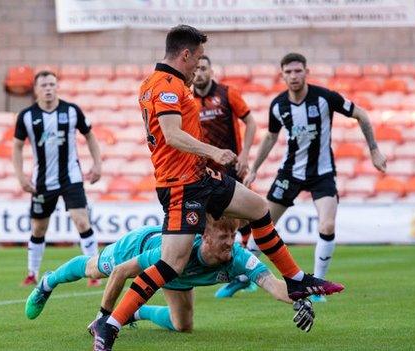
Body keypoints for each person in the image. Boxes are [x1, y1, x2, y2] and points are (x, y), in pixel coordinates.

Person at [92, 25, 341, 351]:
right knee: (171, 265)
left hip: (200, 177)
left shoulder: (164, 84)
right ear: (185, 54)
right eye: (197, 58)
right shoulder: (165, 86)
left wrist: (206, 161)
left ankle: (295, 281)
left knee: (258, 207)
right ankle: (110, 325)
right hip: (181, 185)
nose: (199, 64)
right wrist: (213, 151)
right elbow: (171, 134)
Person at [243, 53, 387, 302]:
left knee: (327, 225)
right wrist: (254, 168)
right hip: (290, 173)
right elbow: (270, 137)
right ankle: (243, 278)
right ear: (282, 75)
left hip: (322, 173)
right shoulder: (278, 105)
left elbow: (361, 114)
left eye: (298, 71)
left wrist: (374, 149)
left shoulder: (325, 97)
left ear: (306, 72)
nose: (294, 76)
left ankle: (317, 286)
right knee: (261, 226)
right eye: (288, 72)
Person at [24, 217, 314, 333]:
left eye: (233, 235)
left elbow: (274, 285)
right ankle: (48, 281)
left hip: (178, 276)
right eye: (224, 236)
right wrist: (104, 317)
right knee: (95, 268)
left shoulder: (237, 257)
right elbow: (124, 273)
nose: (231, 242)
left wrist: (301, 298)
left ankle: (135, 315)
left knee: (183, 326)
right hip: (140, 248)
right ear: (205, 236)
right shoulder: (177, 251)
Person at [13, 70, 102, 287]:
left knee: (82, 221)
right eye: (44, 85)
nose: (49, 88)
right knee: (38, 228)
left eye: (52, 84)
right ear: (36, 90)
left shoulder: (71, 111)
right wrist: (21, 176)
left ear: (57, 87)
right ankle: (32, 273)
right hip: (42, 181)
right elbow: (16, 146)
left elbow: (90, 136)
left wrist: (97, 163)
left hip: (71, 177)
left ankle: (95, 272)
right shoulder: (26, 116)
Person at [192, 55, 260, 297]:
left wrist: (244, 155)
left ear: (211, 70)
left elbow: (251, 123)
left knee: (244, 220)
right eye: (196, 68)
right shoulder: (187, 98)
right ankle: (233, 273)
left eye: (203, 68)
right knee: (211, 223)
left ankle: (245, 274)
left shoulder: (227, 93)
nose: (199, 72)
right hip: (203, 173)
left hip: (230, 169)